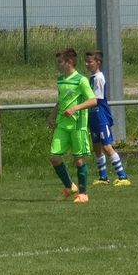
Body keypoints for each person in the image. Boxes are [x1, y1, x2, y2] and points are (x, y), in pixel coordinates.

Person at [48, 48, 97, 203]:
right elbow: (61, 100)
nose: (57, 65)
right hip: (62, 125)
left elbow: (93, 100)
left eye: (60, 62)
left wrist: (75, 108)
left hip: (77, 126)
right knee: (54, 157)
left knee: (79, 160)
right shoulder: (60, 80)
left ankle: (83, 194)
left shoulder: (81, 80)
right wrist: (52, 115)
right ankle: (70, 187)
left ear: (69, 62)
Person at [84, 50, 130, 187]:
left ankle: (123, 176)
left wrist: (80, 106)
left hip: (100, 115)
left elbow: (96, 100)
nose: (87, 64)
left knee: (107, 146)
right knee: (97, 147)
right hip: (93, 116)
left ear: (98, 62)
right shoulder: (91, 78)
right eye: (86, 62)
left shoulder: (98, 78)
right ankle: (103, 177)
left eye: (90, 62)